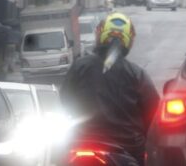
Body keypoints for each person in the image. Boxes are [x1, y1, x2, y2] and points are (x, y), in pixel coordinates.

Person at [61, 12, 159, 165]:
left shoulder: (79, 66)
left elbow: (65, 101)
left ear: (100, 34)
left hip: (79, 144)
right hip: (127, 149)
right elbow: (154, 115)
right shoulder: (137, 75)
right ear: (129, 40)